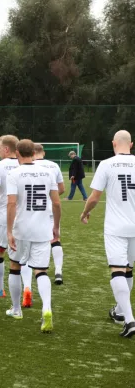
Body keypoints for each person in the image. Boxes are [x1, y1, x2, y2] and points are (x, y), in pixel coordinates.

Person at [80, 130, 135, 338]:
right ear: (131, 145)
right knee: (128, 270)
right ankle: (120, 312)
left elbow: (94, 197)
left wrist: (85, 212)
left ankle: (129, 319)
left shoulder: (106, 164)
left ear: (113, 144)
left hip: (116, 227)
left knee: (118, 270)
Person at [6, 139, 61, 333]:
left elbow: (11, 204)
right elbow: (56, 203)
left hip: (22, 228)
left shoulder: (14, 173)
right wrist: (56, 226)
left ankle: (16, 309)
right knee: (41, 271)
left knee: (15, 265)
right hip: (42, 229)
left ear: (18, 153)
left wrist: (9, 230)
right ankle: (46, 308)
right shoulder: (48, 172)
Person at [0, 135, 20, 297]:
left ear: (7, 149)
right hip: (22, 216)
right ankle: (27, 289)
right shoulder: (25, 164)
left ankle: (0, 289)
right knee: (21, 255)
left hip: (3, 214)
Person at [34, 144, 66, 287]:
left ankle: (38, 270)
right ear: (44, 153)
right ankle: (58, 271)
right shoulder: (54, 166)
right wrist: (50, 197)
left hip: (33, 209)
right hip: (51, 207)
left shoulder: (28, 166)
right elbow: (62, 189)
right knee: (55, 239)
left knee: (33, 240)